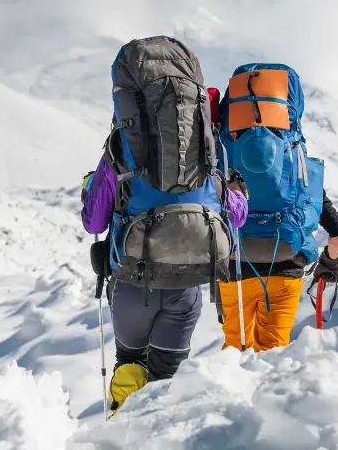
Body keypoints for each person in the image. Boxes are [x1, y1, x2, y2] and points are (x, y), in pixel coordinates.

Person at [81, 36, 249, 415]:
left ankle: (121, 433)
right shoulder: (205, 156)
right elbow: (236, 216)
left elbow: (93, 220)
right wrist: (238, 191)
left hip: (131, 285)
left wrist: (96, 188)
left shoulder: (120, 151)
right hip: (186, 289)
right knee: (164, 388)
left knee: (129, 369)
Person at [213, 63, 338, 352]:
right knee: (272, 355)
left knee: (231, 357)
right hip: (286, 266)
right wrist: (329, 264)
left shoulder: (224, 157)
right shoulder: (299, 170)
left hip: (234, 266)